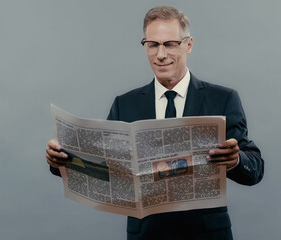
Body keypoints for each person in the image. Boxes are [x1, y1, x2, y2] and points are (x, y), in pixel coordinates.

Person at [46, 6, 264, 240]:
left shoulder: (223, 99)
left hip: (206, 233)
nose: (160, 54)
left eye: (170, 44)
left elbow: (255, 170)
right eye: (153, 44)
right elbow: (105, 169)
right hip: (147, 234)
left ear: (188, 45)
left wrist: (236, 160)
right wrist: (62, 161)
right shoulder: (125, 105)